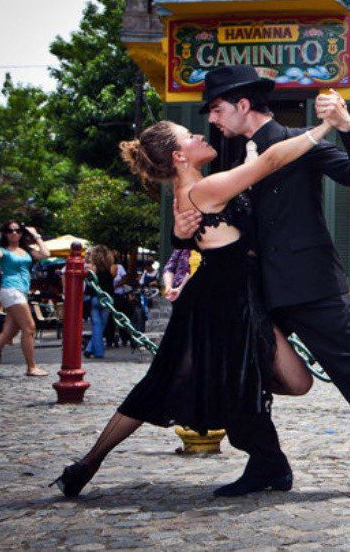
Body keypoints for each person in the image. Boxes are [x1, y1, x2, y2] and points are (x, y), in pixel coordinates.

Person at [175, 65, 350, 504]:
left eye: (216, 109)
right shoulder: (230, 156)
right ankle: (267, 463)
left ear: (243, 105)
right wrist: (186, 224)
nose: (212, 119)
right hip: (253, 289)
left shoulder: (300, 142)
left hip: (310, 285)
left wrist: (347, 128)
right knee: (237, 373)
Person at [51, 112, 328, 498]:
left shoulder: (198, 190)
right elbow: (268, 164)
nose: (201, 135)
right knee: (165, 384)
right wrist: (324, 129)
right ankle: (88, 463)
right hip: (216, 307)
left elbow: (248, 174)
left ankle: (266, 459)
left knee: (286, 382)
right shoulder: (201, 192)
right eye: (190, 135)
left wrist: (250, 146)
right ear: (179, 156)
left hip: (238, 302)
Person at [0, 222, 51, 377]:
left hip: (20, 291)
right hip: (11, 290)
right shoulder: (4, 251)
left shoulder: (26, 251)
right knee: (29, 328)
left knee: (8, 333)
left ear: (22, 233)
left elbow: (46, 254)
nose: (14, 233)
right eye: (10, 230)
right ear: (5, 234)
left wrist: (36, 236)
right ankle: (31, 367)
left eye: (17, 230)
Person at [84, 245, 118, 358]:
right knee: (102, 325)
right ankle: (96, 351)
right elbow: (114, 276)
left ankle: (90, 349)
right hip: (107, 298)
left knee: (96, 325)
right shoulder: (112, 267)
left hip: (94, 297)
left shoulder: (92, 267)